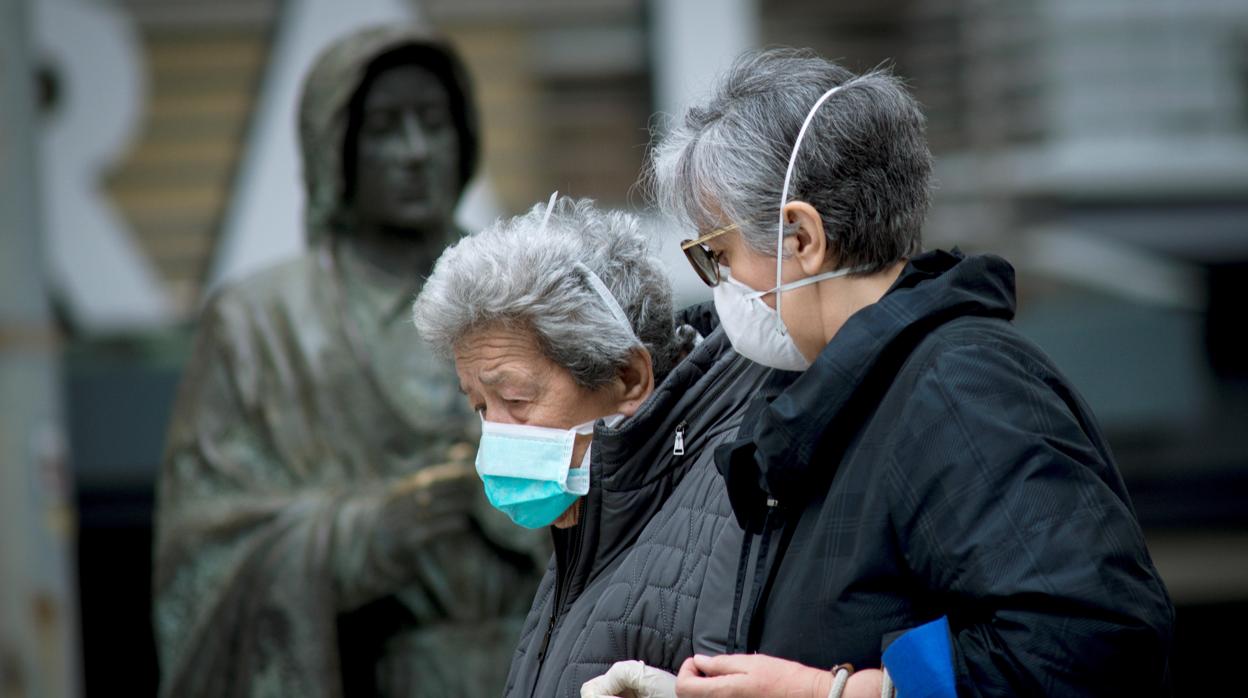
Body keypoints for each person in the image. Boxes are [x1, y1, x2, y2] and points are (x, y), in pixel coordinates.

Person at [632, 48, 1172, 697]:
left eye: (719, 254)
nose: (720, 288)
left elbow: (1089, 645)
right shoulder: (837, 396)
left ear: (801, 238)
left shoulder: (961, 386)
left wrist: (837, 693)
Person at [153, 25, 547, 698]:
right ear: (335, 149)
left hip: (541, 660)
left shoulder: (537, 291)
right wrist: (355, 538)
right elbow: (202, 554)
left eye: (435, 122)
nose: (416, 152)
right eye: (385, 129)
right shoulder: (260, 322)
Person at [411, 196, 786, 698]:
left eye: (516, 399)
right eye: (481, 406)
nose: (496, 435)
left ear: (628, 378)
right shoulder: (592, 518)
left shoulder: (741, 494)